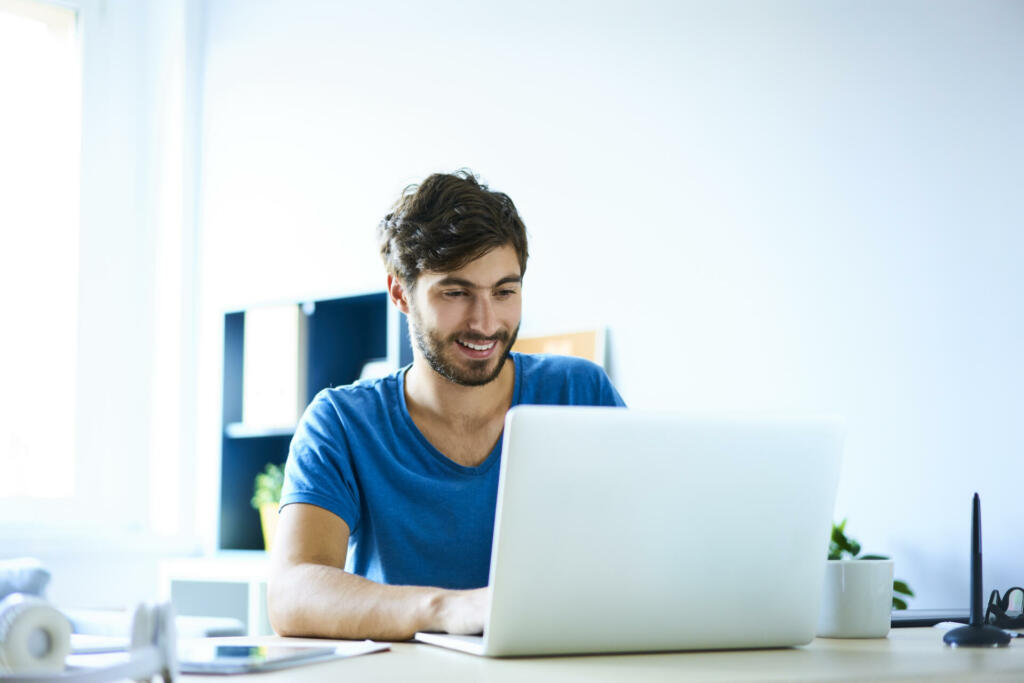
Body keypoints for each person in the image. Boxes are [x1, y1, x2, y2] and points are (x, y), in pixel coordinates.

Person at [268, 170, 625, 640]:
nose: (485, 321)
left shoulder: (579, 394)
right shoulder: (341, 422)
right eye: (456, 293)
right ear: (401, 292)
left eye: (504, 291)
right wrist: (446, 609)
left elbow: (646, 545)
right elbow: (293, 593)